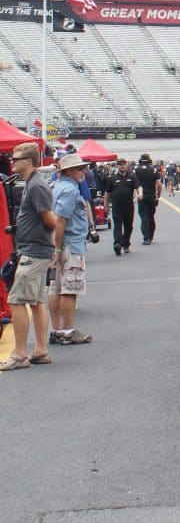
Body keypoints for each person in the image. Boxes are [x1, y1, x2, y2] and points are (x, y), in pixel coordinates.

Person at [0, 142, 60, 371]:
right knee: (35, 302)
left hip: (35, 251)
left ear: (29, 161)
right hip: (36, 249)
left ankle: (20, 353)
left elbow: (50, 220)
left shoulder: (36, 186)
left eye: (16, 158)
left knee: (16, 300)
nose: (11, 161)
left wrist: (51, 247)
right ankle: (40, 350)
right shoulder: (32, 184)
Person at [48, 151, 93, 346]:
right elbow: (61, 220)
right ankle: (67, 330)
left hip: (60, 243)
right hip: (70, 244)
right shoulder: (70, 190)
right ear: (69, 171)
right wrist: (57, 249)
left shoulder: (56, 186)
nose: (84, 171)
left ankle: (57, 329)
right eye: (80, 168)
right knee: (70, 289)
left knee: (56, 288)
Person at [108, 156, 138, 256]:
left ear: (126, 165)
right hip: (117, 206)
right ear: (117, 166)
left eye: (124, 164)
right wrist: (105, 206)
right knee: (117, 226)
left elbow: (138, 187)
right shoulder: (112, 179)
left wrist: (140, 194)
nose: (122, 166)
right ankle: (117, 244)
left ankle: (125, 244)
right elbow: (107, 194)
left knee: (128, 226)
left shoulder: (131, 177)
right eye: (120, 165)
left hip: (129, 206)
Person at [135, 152, 161, 244]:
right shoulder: (154, 170)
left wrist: (135, 195)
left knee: (144, 216)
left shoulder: (136, 170)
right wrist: (158, 195)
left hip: (141, 195)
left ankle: (146, 238)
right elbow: (159, 184)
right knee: (151, 216)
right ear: (149, 160)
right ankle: (151, 236)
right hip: (151, 195)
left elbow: (134, 185)